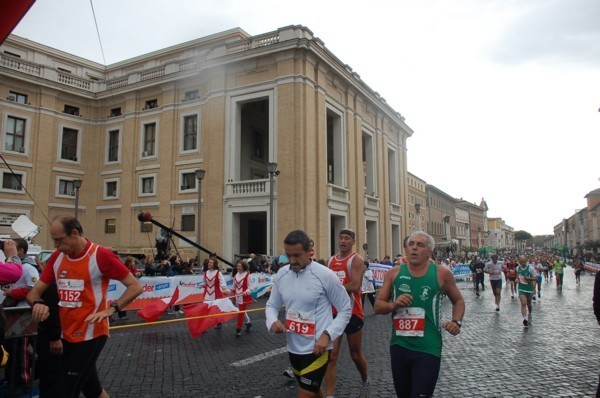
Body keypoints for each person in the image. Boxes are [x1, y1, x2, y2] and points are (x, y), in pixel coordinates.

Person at [27, 215, 143, 398]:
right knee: (92, 390)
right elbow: (33, 293)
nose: (56, 245)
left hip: (91, 334)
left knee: (67, 391)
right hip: (66, 334)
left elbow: (135, 286)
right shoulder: (57, 257)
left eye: (59, 240)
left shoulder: (100, 255)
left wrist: (113, 308)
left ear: (74, 233)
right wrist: (38, 304)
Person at [374, 231, 465, 398]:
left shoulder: (441, 274)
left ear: (429, 252)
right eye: (411, 244)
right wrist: (394, 304)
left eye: (420, 245)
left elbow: (458, 300)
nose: (414, 248)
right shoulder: (394, 273)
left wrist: (456, 322)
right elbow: (378, 306)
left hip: (428, 349)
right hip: (399, 347)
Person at [266, 230, 351, 398]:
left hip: (317, 350)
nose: (292, 260)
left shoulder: (325, 275)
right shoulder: (282, 274)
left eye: (297, 255)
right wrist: (272, 321)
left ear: (308, 251)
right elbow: (271, 305)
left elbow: (345, 309)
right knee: (314, 391)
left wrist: (328, 335)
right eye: (288, 255)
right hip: (293, 348)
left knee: (305, 394)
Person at [325, 229, 370, 398]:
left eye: (347, 238)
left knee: (356, 355)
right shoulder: (331, 260)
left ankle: (365, 379)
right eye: (341, 237)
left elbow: (355, 285)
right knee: (332, 356)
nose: (343, 241)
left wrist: (334, 289)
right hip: (334, 313)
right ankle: (330, 395)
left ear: (353, 242)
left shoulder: (356, 259)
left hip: (353, 313)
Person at [2, 238, 40, 395]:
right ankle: (12, 377)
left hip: (23, 313)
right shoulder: (14, 265)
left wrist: (13, 293)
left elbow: (35, 289)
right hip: (12, 312)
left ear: (21, 251)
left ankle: (23, 381)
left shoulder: (28, 268)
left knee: (21, 349)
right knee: (12, 347)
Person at [204, 257, 229, 329]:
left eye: (211, 263)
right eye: (209, 262)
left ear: (214, 264)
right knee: (206, 309)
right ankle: (205, 325)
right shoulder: (206, 273)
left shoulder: (218, 273)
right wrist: (203, 285)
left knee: (215, 309)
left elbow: (222, 281)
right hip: (207, 294)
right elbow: (205, 283)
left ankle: (218, 322)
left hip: (216, 294)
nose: (209, 264)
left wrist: (224, 288)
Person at [233, 260, 254, 337]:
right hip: (237, 296)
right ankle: (248, 323)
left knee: (240, 313)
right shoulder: (236, 275)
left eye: (239, 266)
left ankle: (238, 329)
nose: (238, 267)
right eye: (237, 266)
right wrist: (227, 291)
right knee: (241, 311)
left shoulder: (247, 275)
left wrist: (246, 291)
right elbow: (233, 287)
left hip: (244, 297)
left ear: (243, 267)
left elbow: (251, 287)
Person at [517, 256, 537, 327]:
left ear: (526, 260)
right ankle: (524, 318)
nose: (522, 263)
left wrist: (529, 278)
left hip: (529, 289)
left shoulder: (530, 268)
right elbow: (517, 277)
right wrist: (517, 280)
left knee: (529, 304)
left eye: (524, 261)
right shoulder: (518, 268)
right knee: (523, 303)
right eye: (521, 262)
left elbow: (535, 278)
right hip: (521, 289)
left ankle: (530, 313)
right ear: (519, 261)